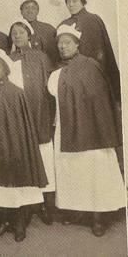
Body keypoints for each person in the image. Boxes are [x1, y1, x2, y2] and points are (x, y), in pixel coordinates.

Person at [47, 23, 125, 237]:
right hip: (66, 126)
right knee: (71, 169)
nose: (63, 47)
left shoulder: (90, 65)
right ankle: (79, 210)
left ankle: (99, 216)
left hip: (92, 129)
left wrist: (96, 127)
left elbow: (99, 99)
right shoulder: (57, 70)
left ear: (77, 44)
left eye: (67, 42)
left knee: (94, 168)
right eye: (60, 44)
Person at [0, 51, 48, 242]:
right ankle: (4, 221)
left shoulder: (15, 92)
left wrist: (13, 148)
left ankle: (19, 223)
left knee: (13, 186)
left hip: (11, 149)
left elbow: (20, 127)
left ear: (6, 70)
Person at [9, 21, 56, 224]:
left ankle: (46, 204)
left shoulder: (41, 57)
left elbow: (49, 88)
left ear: (29, 35)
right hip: (18, 115)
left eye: (21, 32)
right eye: (14, 33)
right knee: (23, 158)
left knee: (44, 156)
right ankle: (27, 206)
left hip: (39, 113)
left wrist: (50, 115)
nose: (17, 36)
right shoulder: (9, 59)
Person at [59, 0, 120, 102]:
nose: (71, 4)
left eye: (74, 1)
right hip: (73, 74)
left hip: (94, 71)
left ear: (82, 2)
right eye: (68, 2)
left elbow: (104, 48)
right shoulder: (64, 24)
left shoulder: (94, 19)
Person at [20, 0, 59, 68]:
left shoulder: (48, 29)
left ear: (37, 11)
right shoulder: (16, 30)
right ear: (21, 12)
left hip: (44, 68)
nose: (30, 11)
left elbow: (55, 55)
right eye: (26, 8)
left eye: (33, 8)